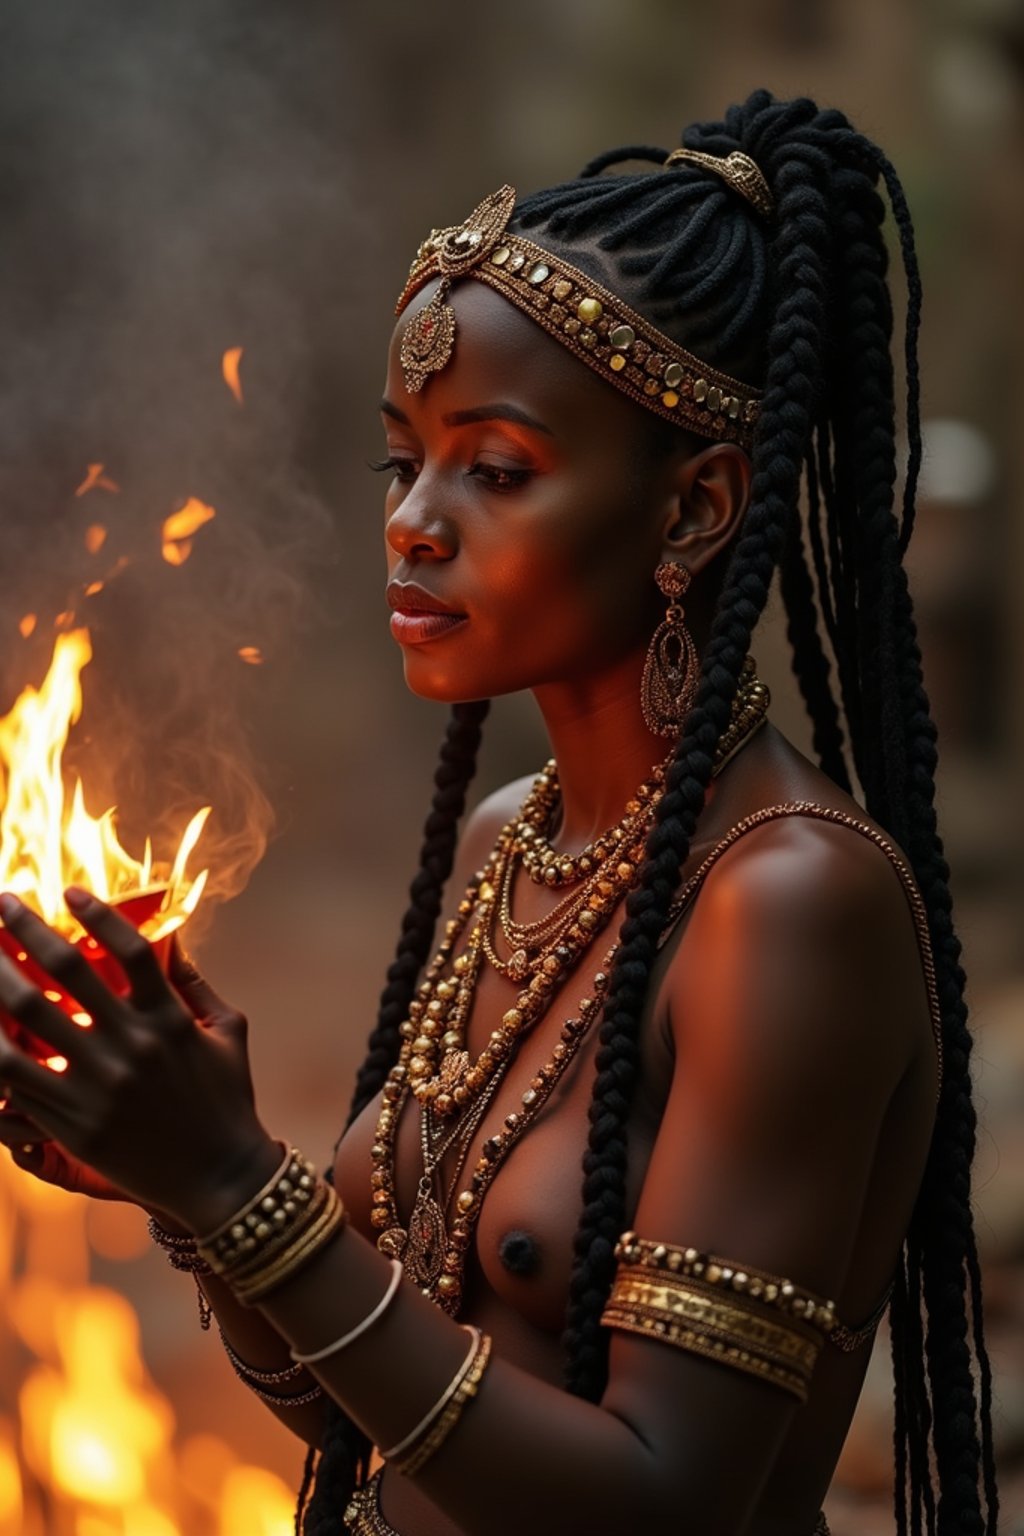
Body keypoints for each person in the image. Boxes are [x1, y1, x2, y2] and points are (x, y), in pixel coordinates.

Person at [0, 90, 999, 1536]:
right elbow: (377, 1420)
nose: (412, 518)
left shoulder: (787, 903)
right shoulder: (511, 840)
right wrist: (181, 1187)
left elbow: (662, 1504)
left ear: (694, 509)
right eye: (400, 460)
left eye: (497, 468)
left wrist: (236, 1181)